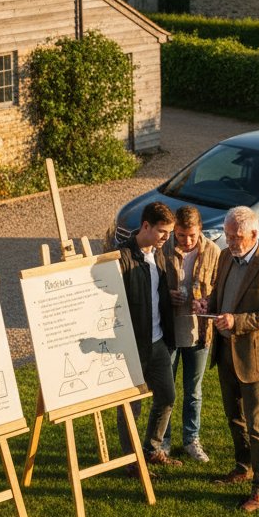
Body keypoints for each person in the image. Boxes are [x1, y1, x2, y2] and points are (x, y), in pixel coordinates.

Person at [202, 205, 259, 512]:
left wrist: (237, 321)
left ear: (254, 234)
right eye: (227, 234)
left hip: (255, 357)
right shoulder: (226, 256)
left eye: (236, 236)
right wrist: (209, 304)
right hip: (225, 351)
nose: (230, 241)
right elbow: (222, 292)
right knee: (233, 416)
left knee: (257, 423)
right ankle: (243, 466)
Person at [116, 201, 178, 470]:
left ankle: (152, 448)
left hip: (158, 341)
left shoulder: (159, 252)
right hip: (133, 346)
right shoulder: (122, 258)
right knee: (132, 406)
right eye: (162, 231)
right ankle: (131, 461)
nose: (167, 237)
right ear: (145, 226)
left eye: (169, 232)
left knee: (167, 397)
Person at [163, 205, 220, 462]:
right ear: (175, 230)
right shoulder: (162, 250)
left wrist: (208, 302)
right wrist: (167, 296)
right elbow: (151, 286)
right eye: (181, 235)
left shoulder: (214, 253)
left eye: (191, 236)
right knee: (166, 390)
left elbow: (220, 289)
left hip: (199, 332)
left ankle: (191, 440)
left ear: (200, 231)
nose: (186, 241)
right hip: (169, 331)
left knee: (193, 391)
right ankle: (162, 441)